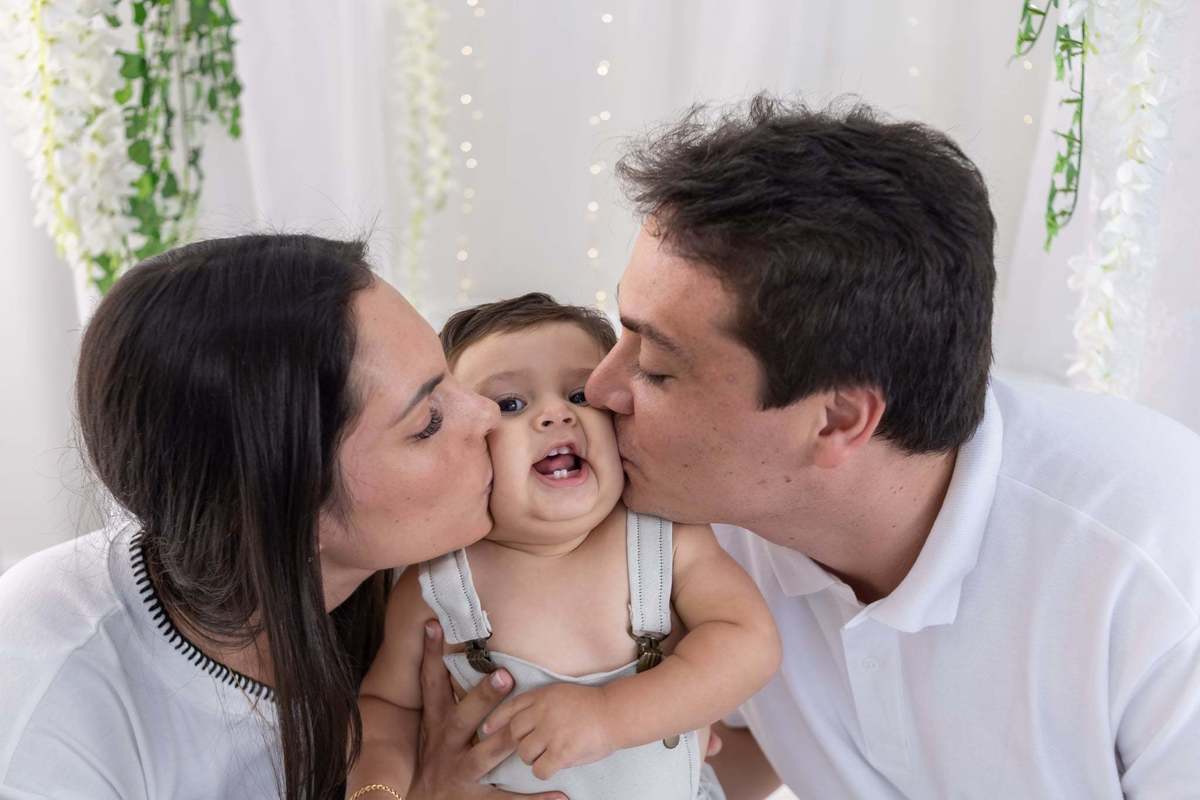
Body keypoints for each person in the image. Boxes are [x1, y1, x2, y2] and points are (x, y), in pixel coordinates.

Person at [583, 95, 1200, 798]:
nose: (600, 389)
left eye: (657, 369)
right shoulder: (701, 520)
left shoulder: (1158, 567)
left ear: (838, 421)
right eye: (619, 332)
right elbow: (737, 749)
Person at [0, 235, 566, 800]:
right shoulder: (47, 713)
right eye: (427, 422)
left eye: (448, 376)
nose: (487, 414)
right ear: (291, 507)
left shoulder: (440, 575)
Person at [347, 293, 780, 800]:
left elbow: (749, 644)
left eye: (579, 396)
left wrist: (612, 716)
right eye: (510, 404)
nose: (555, 414)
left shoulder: (662, 539)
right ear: (463, 440)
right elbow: (387, 708)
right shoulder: (440, 585)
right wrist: (380, 791)